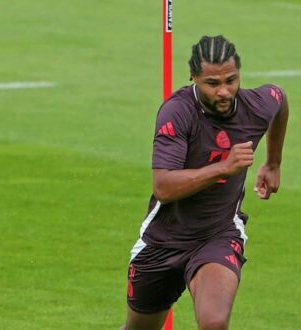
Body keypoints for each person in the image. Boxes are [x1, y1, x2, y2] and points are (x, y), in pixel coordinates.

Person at [123, 35, 289, 330]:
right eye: (212, 83)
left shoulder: (256, 105)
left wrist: (273, 162)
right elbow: (163, 186)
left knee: (214, 323)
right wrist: (222, 167)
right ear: (194, 78)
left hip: (217, 234)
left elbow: (280, 99)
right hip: (163, 240)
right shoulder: (178, 112)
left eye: (231, 80)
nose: (224, 91)